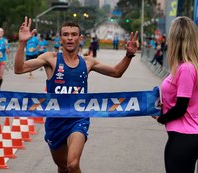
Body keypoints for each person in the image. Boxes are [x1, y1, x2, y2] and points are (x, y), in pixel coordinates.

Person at [14, 16, 138, 173]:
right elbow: (19, 69)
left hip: (78, 119)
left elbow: (116, 72)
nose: (70, 38)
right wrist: (22, 43)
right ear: (60, 39)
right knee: (63, 166)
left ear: (81, 38)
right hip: (55, 122)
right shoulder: (50, 59)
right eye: (65, 34)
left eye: (74, 34)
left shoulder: (88, 62)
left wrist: (128, 55)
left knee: (72, 164)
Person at [152, 16, 198, 173]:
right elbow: (183, 102)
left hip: (185, 137)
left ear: (176, 38)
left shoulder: (186, 69)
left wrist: (162, 118)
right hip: (185, 136)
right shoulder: (185, 66)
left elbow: (182, 107)